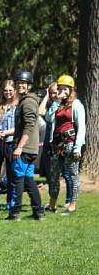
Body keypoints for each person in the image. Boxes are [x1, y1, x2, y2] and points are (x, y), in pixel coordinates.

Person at [45, 74, 86, 215]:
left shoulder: (76, 105)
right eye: (60, 89)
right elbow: (48, 118)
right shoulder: (58, 105)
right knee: (54, 175)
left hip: (70, 143)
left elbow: (81, 128)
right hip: (57, 144)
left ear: (71, 90)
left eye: (65, 90)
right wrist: (56, 101)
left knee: (73, 175)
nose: (62, 92)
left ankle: (72, 205)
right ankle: (52, 204)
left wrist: (77, 148)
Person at [7, 68, 45, 221]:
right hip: (30, 149)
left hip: (25, 148)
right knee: (29, 181)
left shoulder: (28, 102)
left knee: (18, 180)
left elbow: (29, 126)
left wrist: (19, 147)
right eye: (18, 83)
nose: (20, 85)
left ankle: (15, 213)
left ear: (29, 85)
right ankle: (38, 211)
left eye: (23, 83)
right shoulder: (27, 100)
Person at [0, 78, 17, 208]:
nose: (8, 93)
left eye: (10, 90)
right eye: (5, 90)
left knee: (11, 174)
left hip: (11, 142)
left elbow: (19, 126)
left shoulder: (18, 105)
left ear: (15, 91)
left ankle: (10, 202)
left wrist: (6, 133)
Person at [38, 81, 58, 181]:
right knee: (47, 164)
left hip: (59, 140)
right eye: (52, 92)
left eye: (56, 92)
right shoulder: (49, 104)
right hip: (48, 140)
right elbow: (40, 112)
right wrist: (46, 96)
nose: (55, 95)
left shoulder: (64, 104)